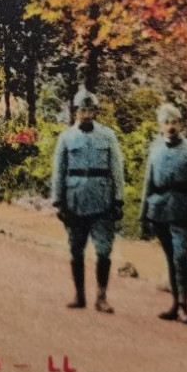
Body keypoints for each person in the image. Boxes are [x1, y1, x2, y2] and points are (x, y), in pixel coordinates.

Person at [51, 89, 126, 313]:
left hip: (102, 203)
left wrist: (118, 200)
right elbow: (58, 171)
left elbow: (117, 170)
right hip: (75, 202)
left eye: (90, 110)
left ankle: (101, 297)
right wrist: (58, 202)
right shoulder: (66, 138)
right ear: (76, 112)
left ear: (95, 112)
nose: (86, 114)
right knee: (76, 250)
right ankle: (79, 295)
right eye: (82, 110)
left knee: (104, 251)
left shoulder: (108, 136)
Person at [139, 102, 187, 324]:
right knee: (170, 259)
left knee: (181, 258)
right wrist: (143, 214)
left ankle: (185, 306)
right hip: (159, 211)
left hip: (182, 211)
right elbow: (148, 182)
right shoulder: (155, 149)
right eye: (166, 122)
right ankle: (175, 304)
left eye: (174, 122)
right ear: (160, 126)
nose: (171, 126)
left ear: (181, 124)